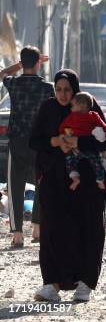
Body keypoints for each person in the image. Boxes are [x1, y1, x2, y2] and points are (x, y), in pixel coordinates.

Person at [29, 69, 106, 302]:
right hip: (54, 181)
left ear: (75, 90)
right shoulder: (48, 108)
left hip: (85, 184)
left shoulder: (88, 106)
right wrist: (55, 141)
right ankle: (52, 284)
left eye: (67, 90)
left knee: (87, 230)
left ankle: (85, 284)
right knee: (53, 230)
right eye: (58, 89)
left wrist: (78, 141)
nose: (63, 95)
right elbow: (34, 140)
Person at [1, 45, 54, 249]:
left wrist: (19, 64)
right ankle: (37, 228)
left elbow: (2, 74)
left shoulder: (13, 84)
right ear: (39, 63)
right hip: (39, 142)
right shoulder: (47, 88)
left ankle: (17, 235)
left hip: (17, 141)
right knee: (42, 183)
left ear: (23, 63)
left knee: (15, 186)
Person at [59, 92, 106, 191]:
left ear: (82, 105)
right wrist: (63, 135)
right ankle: (75, 178)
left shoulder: (93, 115)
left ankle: (100, 180)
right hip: (75, 149)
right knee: (70, 161)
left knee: (96, 162)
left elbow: (104, 126)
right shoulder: (72, 116)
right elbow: (63, 126)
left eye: (73, 105)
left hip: (88, 147)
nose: (71, 108)